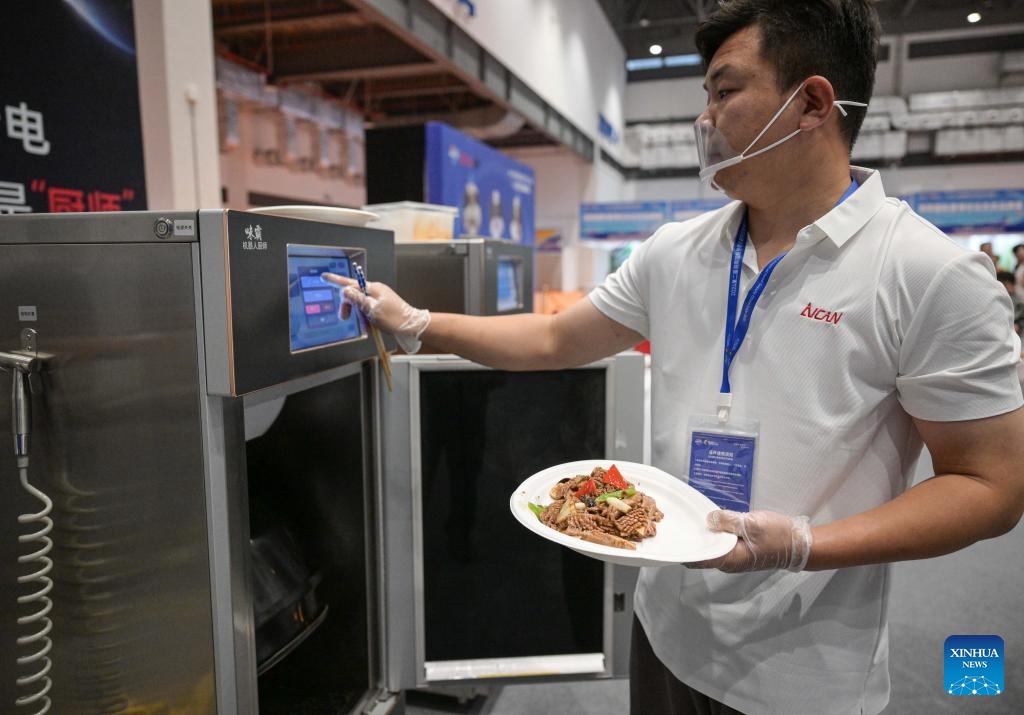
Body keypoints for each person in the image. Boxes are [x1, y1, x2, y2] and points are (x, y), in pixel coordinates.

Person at [324, 2, 1024, 712]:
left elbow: (991, 486)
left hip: (804, 673)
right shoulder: (675, 251)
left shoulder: (927, 273)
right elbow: (554, 340)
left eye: (725, 91)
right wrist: (415, 320)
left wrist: (804, 543)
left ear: (811, 102)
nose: (704, 119)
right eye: (705, 96)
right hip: (666, 635)